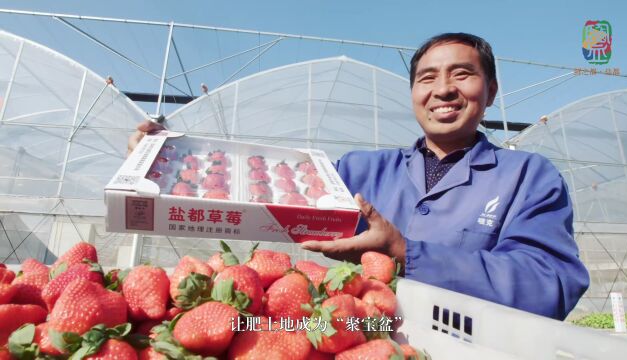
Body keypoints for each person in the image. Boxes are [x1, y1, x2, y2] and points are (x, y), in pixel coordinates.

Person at [128, 33, 589, 320]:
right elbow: (262, 186)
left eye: (462, 74)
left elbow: (551, 285)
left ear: (490, 90)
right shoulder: (359, 171)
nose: (443, 89)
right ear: (413, 93)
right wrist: (166, 156)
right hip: (354, 335)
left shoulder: (527, 175)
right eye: (426, 78)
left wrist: (406, 252)